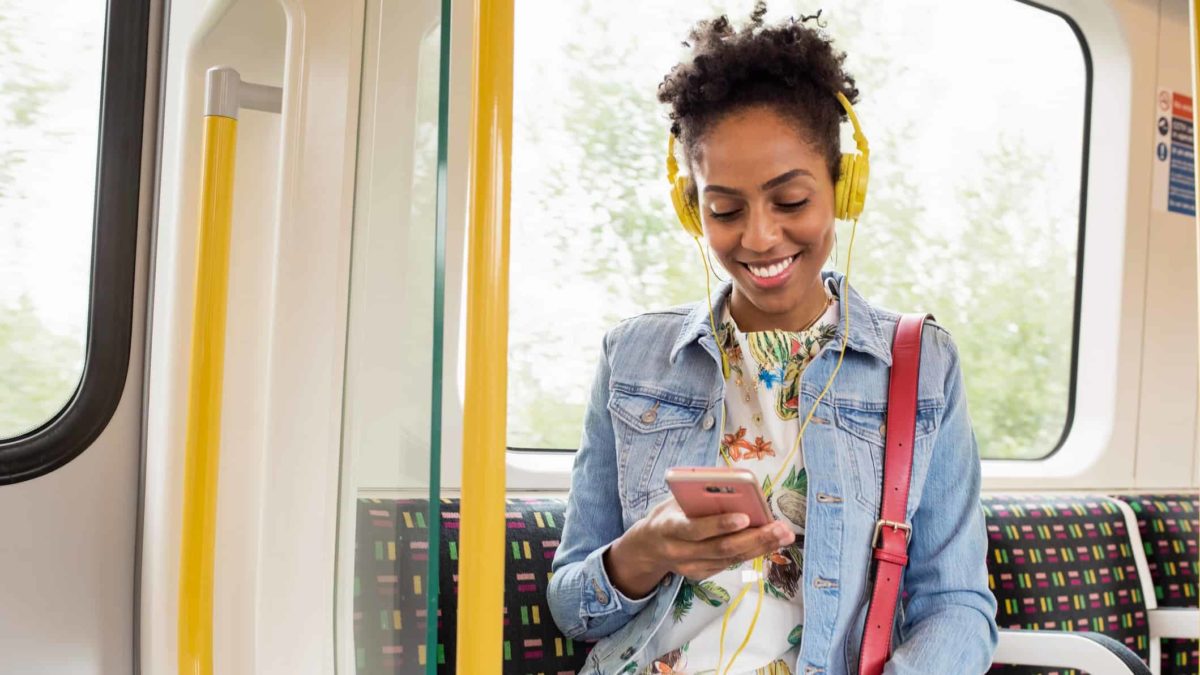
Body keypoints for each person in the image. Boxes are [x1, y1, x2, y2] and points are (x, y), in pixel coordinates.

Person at [545, 4, 998, 674]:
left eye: (790, 202)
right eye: (725, 209)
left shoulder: (922, 365)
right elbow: (571, 604)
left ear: (844, 189)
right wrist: (647, 550)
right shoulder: (631, 359)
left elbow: (955, 606)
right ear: (690, 206)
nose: (758, 237)